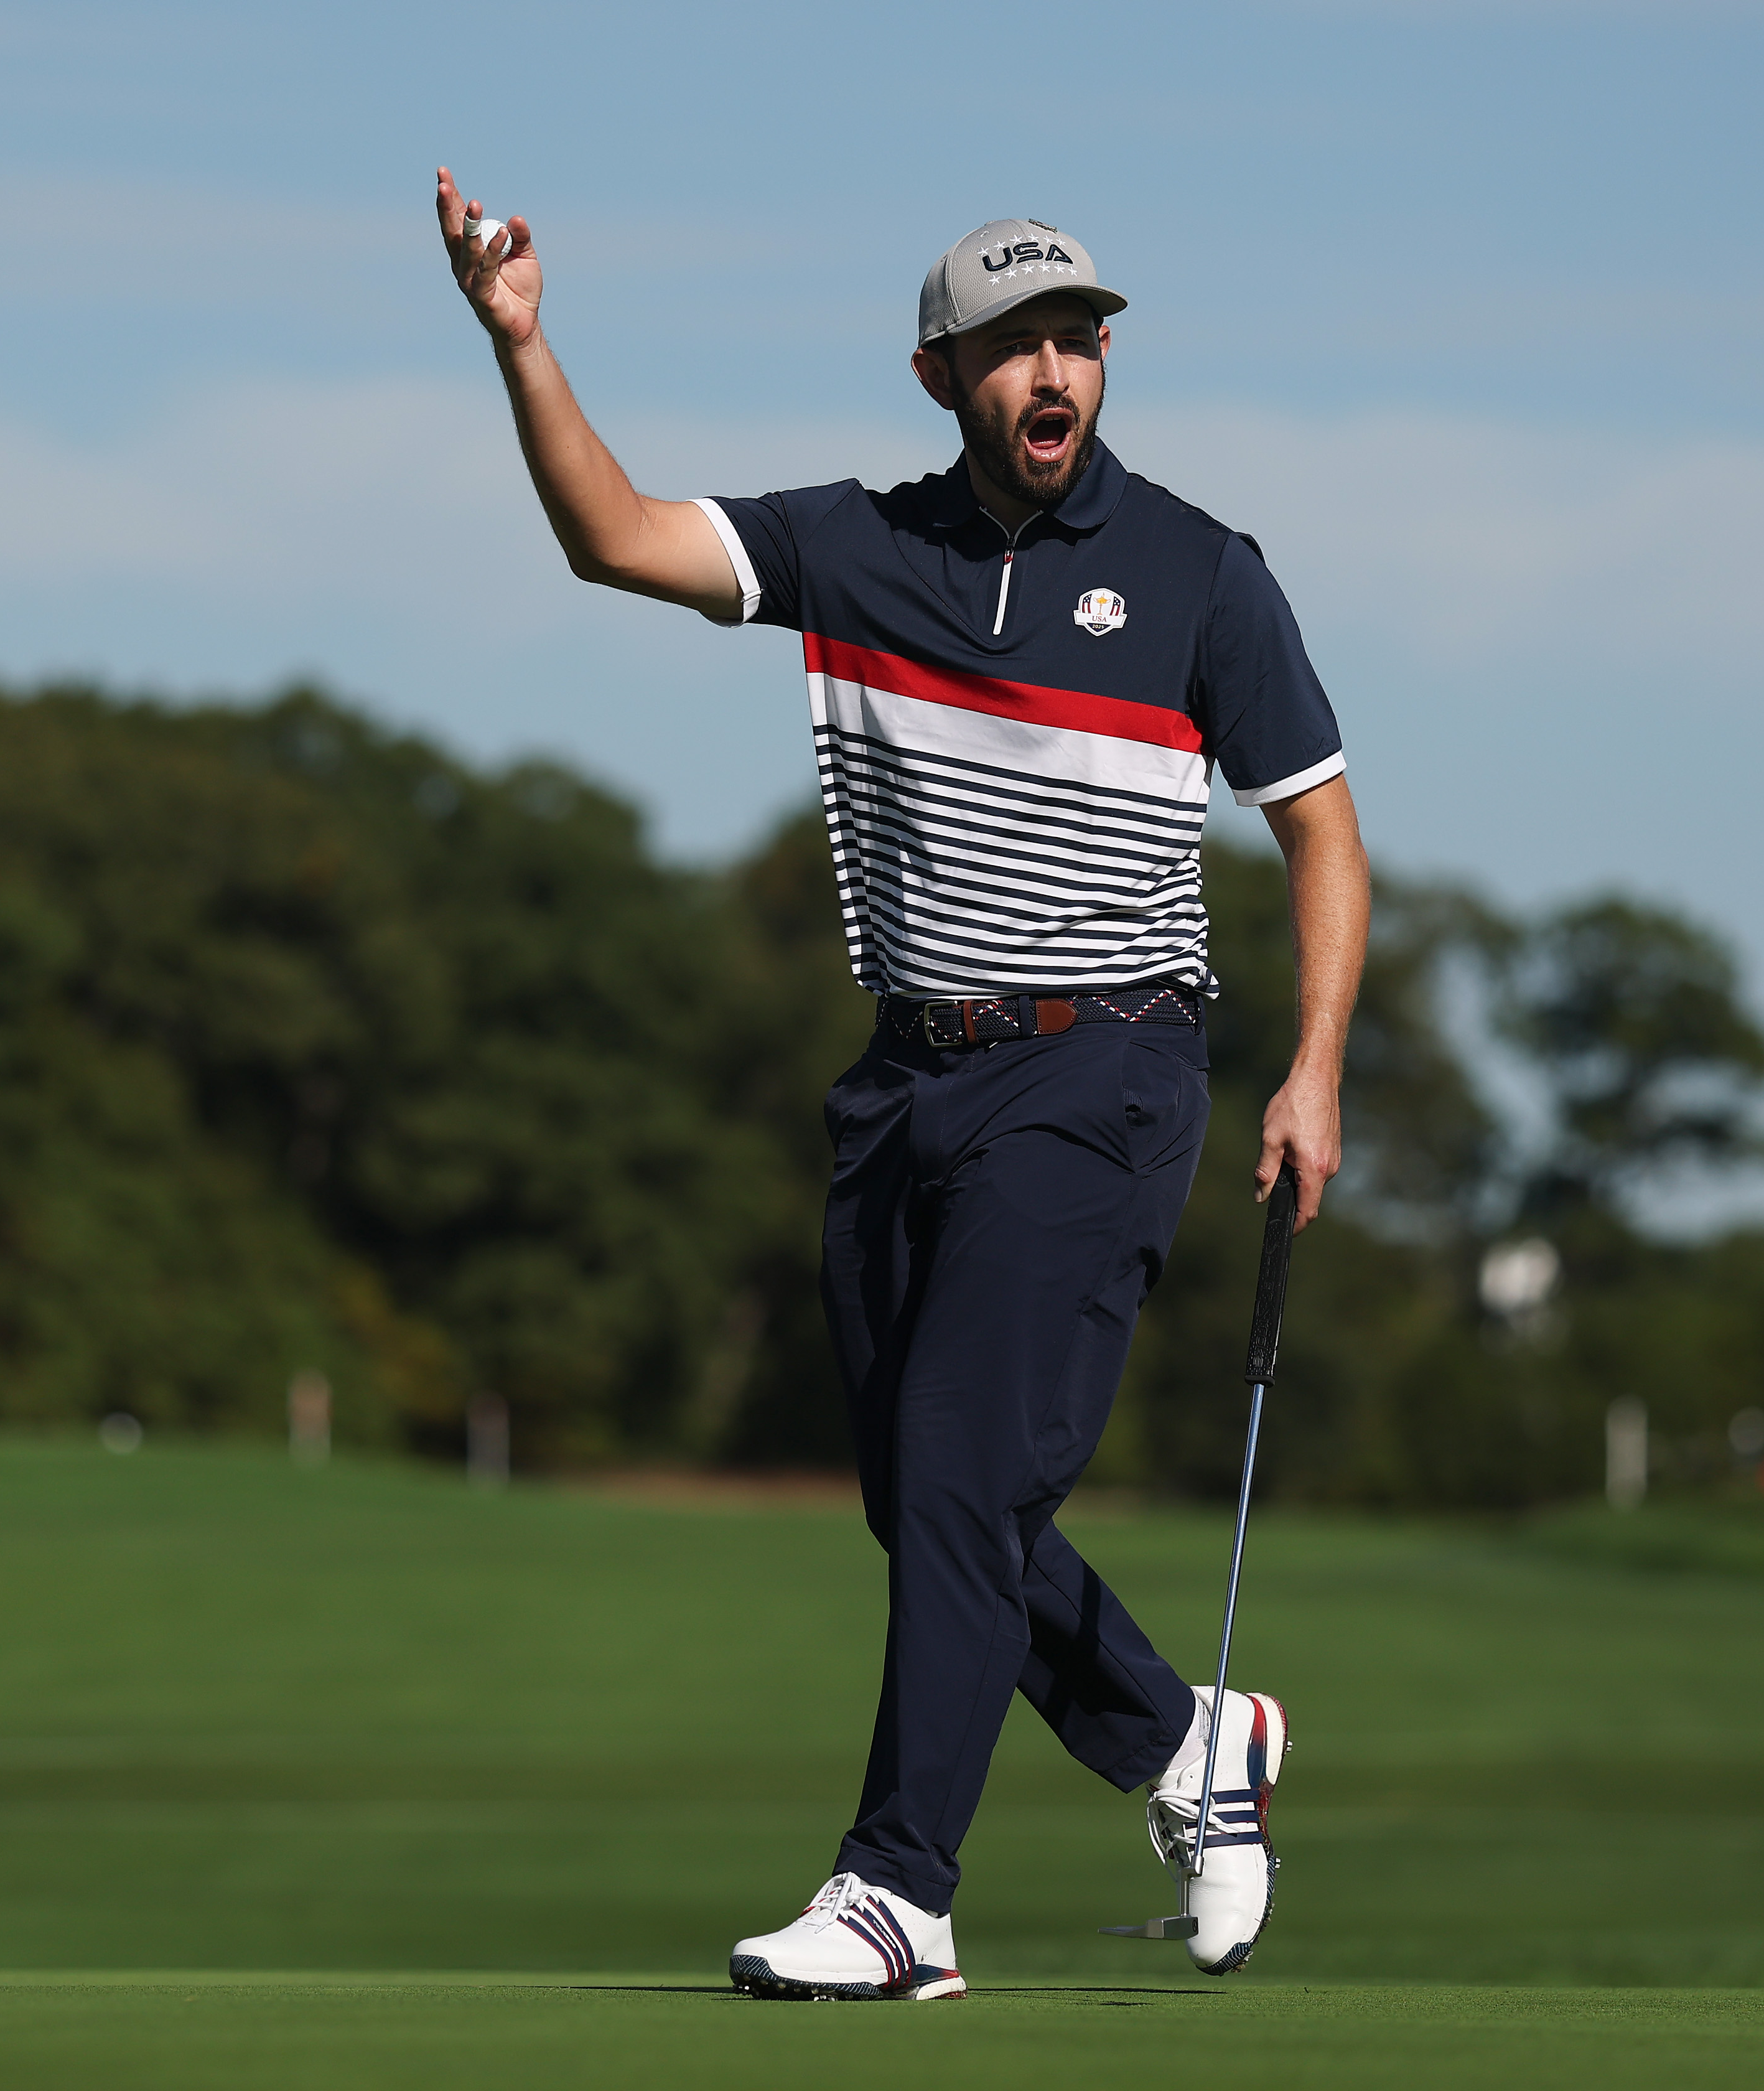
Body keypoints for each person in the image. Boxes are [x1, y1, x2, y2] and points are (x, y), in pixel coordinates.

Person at [433, 171, 1370, 1999]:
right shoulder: (852, 549)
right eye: (1018, 341)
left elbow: (1319, 833)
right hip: (902, 1085)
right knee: (930, 1499)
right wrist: (523, 347)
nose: (1055, 368)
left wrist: (1314, 1065)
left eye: (1079, 337)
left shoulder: (1199, 574)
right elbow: (613, 538)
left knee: (954, 1475)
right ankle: (1188, 1744)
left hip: (1101, 1070)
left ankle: (897, 1896)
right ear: (940, 371)